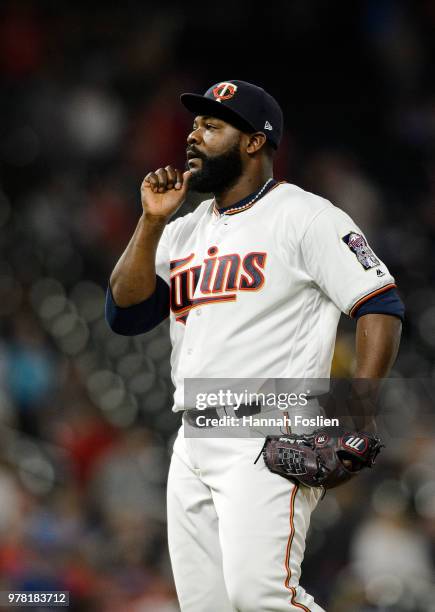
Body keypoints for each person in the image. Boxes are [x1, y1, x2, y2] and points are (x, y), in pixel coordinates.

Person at [106, 80, 404, 611]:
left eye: (212, 126)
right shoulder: (182, 231)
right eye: (195, 125)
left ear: (253, 142)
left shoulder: (306, 216)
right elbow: (124, 313)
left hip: (270, 424)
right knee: (209, 606)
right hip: (193, 433)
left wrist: (357, 410)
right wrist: (151, 222)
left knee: (261, 596)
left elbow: (379, 305)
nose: (193, 136)